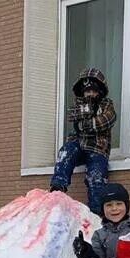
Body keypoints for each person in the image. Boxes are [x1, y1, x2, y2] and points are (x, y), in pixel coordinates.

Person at [49, 68, 117, 213]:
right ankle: (58, 186)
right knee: (66, 152)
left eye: (93, 91)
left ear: (100, 91)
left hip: (97, 148)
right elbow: (72, 118)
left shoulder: (106, 104)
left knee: (96, 177)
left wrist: (86, 125)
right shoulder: (78, 106)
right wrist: (83, 119)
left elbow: (107, 119)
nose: (90, 94)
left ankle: (97, 212)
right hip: (79, 144)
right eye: (87, 91)